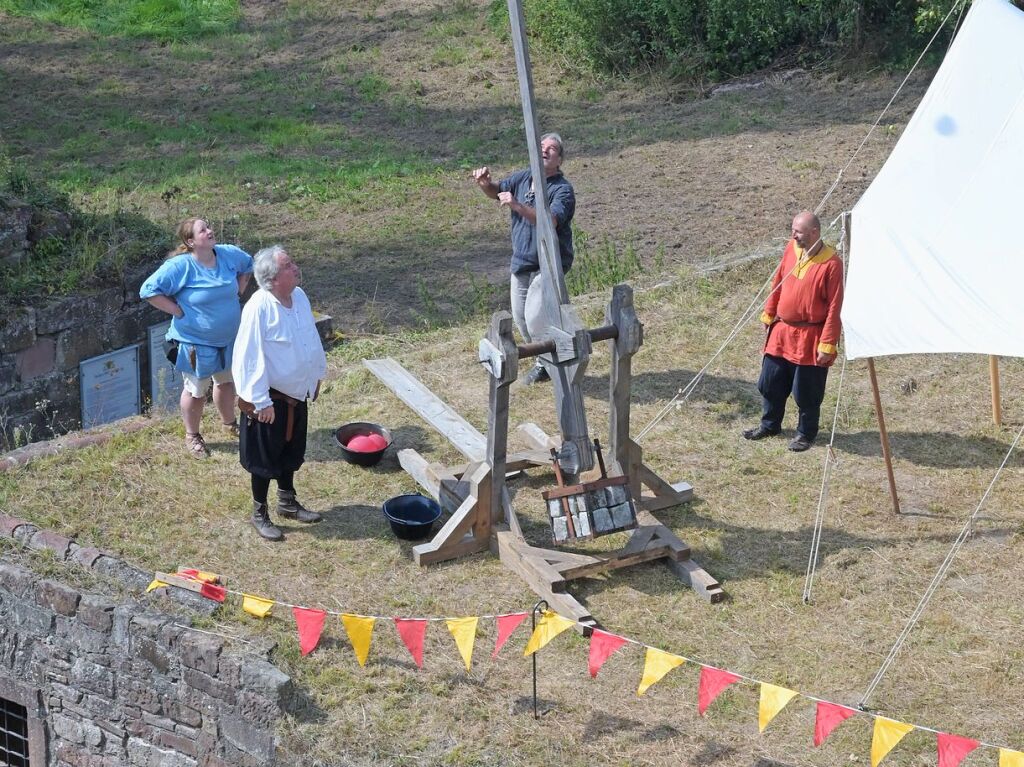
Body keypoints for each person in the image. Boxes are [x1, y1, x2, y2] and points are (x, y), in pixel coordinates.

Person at [232, 245, 326, 541]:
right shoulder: (258, 307)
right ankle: (260, 512)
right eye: (289, 266)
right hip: (269, 400)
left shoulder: (298, 297)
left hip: (297, 395)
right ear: (272, 279)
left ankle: (287, 502)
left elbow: (310, 337)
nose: (296, 268)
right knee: (263, 458)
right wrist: (260, 400)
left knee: (290, 452)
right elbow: (249, 356)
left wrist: (315, 376)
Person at [140, 218, 252, 458]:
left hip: (229, 339)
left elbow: (248, 265)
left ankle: (229, 423)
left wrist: (239, 290)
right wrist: (177, 311)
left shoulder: (229, 255)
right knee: (196, 391)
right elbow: (147, 290)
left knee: (226, 382)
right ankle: (192, 435)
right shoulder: (181, 267)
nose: (210, 231)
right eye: (204, 230)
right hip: (195, 343)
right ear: (190, 241)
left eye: (209, 227)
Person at [472, 132, 576, 384]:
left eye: (551, 149)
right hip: (521, 262)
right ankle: (549, 360)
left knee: (534, 317)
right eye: (541, 146)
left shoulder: (562, 190)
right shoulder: (523, 177)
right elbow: (498, 191)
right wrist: (486, 184)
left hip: (548, 264)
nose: (544, 151)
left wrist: (516, 205)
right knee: (521, 319)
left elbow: (550, 221)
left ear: (559, 159)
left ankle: (550, 363)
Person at [743, 211, 843, 452]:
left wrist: (827, 343)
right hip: (782, 331)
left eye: (798, 231)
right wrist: (769, 312)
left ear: (814, 233)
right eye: (793, 230)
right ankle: (770, 425)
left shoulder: (832, 264)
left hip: (811, 337)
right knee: (770, 382)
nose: (793, 235)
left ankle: (805, 434)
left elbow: (835, 306)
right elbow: (778, 280)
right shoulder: (791, 249)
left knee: (807, 391)